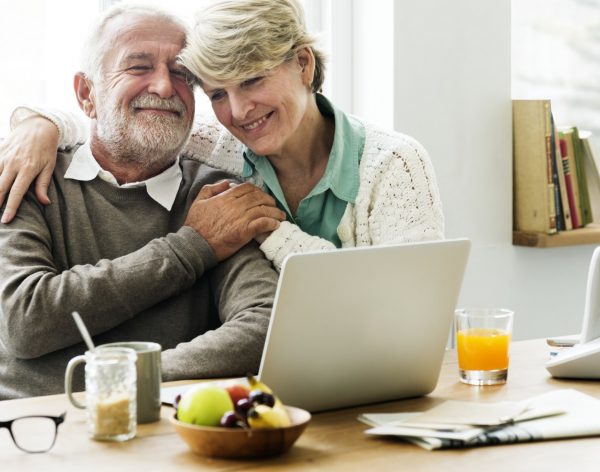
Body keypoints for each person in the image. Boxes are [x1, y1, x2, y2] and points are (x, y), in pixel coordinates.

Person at [0, 0, 444, 272]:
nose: (237, 112)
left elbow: (409, 316)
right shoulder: (216, 145)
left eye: (251, 80)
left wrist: (272, 231)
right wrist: (41, 124)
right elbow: (126, 122)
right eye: (216, 93)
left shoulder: (393, 164)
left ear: (304, 65)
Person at [0, 4, 285, 400]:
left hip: (164, 433)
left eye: (182, 74)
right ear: (87, 95)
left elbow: (266, 324)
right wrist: (191, 248)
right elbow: (24, 321)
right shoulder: (28, 175)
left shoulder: (217, 196)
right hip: (34, 434)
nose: (165, 87)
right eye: (138, 67)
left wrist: (130, 378)